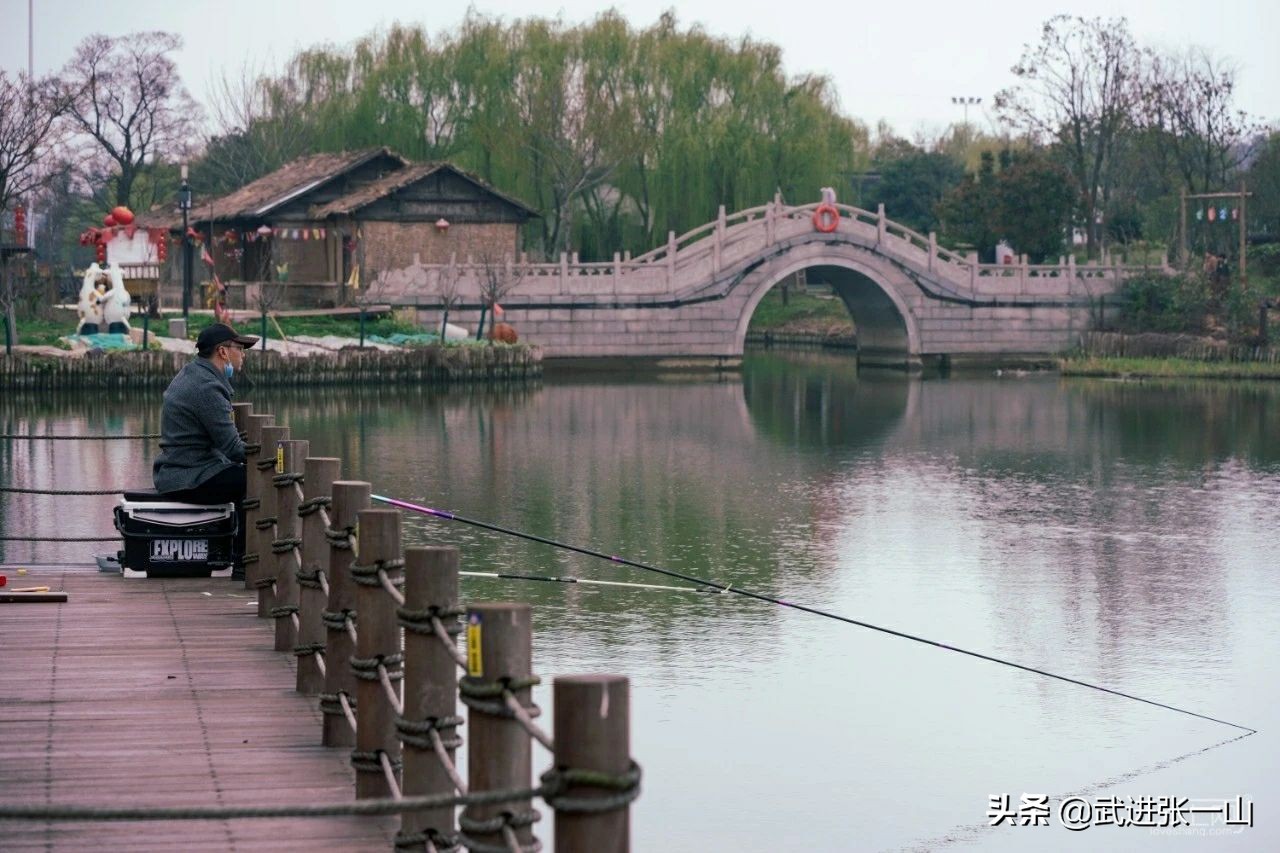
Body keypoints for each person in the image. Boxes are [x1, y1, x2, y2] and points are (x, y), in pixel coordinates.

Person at [153, 323, 259, 578]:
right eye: (240, 348)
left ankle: (238, 554)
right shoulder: (207, 388)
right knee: (254, 480)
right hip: (188, 474)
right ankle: (244, 563)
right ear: (223, 352)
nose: (243, 354)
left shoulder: (194, 374)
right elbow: (234, 449)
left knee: (245, 475)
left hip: (180, 468)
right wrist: (273, 459)